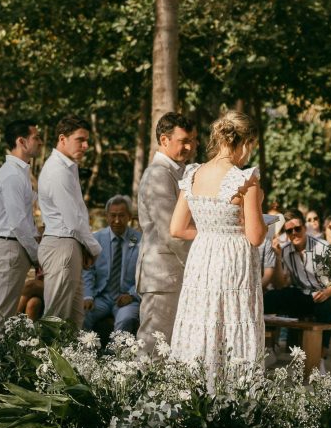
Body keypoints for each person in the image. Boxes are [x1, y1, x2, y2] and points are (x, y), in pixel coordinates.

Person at [170, 111, 266, 389]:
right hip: (234, 261)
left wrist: (212, 233)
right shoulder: (246, 179)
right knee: (232, 321)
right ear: (245, 142)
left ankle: (193, 391)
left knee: (203, 319)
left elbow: (177, 228)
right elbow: (256, 236)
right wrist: (258, 205)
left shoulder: (193, 173)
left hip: (202, 258)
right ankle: (234, 393)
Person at [136, 112, 197, 352]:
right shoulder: (158, 174)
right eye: (184, 141)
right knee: (153, 349)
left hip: (173, 275)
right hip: (162, 276)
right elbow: (172, 231)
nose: (190, 147)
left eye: (193, 140)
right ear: (164, 140)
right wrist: (200, 262)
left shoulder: (179, 171)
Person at [37, 115, 101, 328]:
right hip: (61, 245)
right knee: (55, 320)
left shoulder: (67, 168)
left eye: (87, 141)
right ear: (62, 139)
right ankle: (44, 353)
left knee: (74, 320)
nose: (85, 146)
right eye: (80, 140)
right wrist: (94, 249)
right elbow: (73, 220)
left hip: (70, 244)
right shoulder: (57, 170)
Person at [0, 120, 41, 335]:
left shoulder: (20, 173)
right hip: (10, 247)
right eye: (36, 137)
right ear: (21, 141)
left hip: (15, 248)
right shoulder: (12, 175)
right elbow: (18, 223)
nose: (40, 142)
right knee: (0, 313)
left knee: (6, 313)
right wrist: (37, 255)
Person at [263, 210, 331, 352]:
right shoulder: (284, 251)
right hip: (303, 295)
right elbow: (280, 284)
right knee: (270, 298)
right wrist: (278, 257)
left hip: (326, 293)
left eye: (297, 229)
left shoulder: (323, 247)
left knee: (325, 306)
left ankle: (321, 353)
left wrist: (326, 292)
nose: (294, 233)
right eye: (289, 231)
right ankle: (266, 346)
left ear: (305, 228)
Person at [83, 195, 141, 337]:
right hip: (101, 297)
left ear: (129, 217)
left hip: (126, 298)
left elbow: (145, 273)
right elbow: (88, 271)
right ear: (106, 216)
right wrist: (88, 296)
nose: (117, 220)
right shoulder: (96, 239)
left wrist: (132, 294)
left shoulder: (139, 240)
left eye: (121, 215)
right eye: (113, 215)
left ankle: (114, 351)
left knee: (126, 319)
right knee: (82, 313)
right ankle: (84, 349)